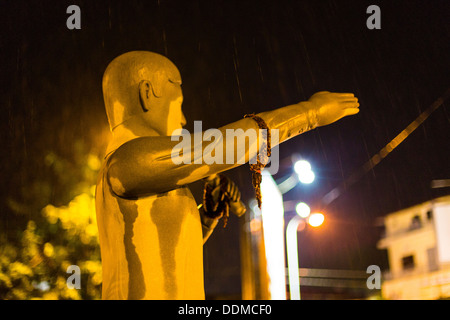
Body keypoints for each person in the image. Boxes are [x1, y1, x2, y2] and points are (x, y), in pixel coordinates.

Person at [95, 51, 359, 300]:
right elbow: (225, 147)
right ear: (148, 93)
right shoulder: (128, 160)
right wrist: (310, 113)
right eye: (179, 104)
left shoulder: (136, 171)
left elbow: (162, 257)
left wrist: (206, 219)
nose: (184, 119)